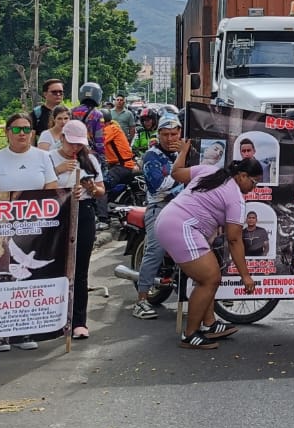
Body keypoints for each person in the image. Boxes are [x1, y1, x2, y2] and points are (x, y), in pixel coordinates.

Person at [152, 148, 261, 349]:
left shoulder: (211, 171)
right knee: (210, 278)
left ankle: (209, 324)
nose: (253, 188)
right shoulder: (236, 197)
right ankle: (190, 334)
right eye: (253, 183)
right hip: (181, 227)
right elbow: (234, 240)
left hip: (171, 220)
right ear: (242, 175)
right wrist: (245, 276)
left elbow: (177, 173)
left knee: (206, 277)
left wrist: (183, 150)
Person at [0, 112, 58, 349]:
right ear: (7, 132)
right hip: (2, 232)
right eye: (16, 129)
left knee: (27, 284)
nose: (21, 133)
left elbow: (52, 191)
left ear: (32, 133)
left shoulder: (43, 158)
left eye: (26, 129)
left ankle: (25, 333)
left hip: (34, 232)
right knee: (2, 282)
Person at [50, 120, 107, 330]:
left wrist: (91, 188)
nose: (75, 148)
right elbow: (40, 188)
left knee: (80, 268)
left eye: (79, 144)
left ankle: (78, 321)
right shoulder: (48, 158)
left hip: (83, 211)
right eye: (71, 143)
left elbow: (101, 190)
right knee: (56, 266)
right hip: (56, 214)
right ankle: (54, 320)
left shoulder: (89, 159)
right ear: (62, 138)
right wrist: (59, 171)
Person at [131, 117, 182, 319]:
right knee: (155, 249)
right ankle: (141, 300)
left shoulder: (187, 151)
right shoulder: (152, 156)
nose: (170, 138)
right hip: (160, 207)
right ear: (158, 134)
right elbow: (159, 186)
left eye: (174, 134)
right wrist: (182, 162)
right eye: (165, 134)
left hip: (187, 205)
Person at [98, 110, 138, 193]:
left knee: (102, 185)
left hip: (123, 166)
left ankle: (102, 206)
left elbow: (98, 142)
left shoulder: (111, 129)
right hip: (115, 165)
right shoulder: (110, 127)